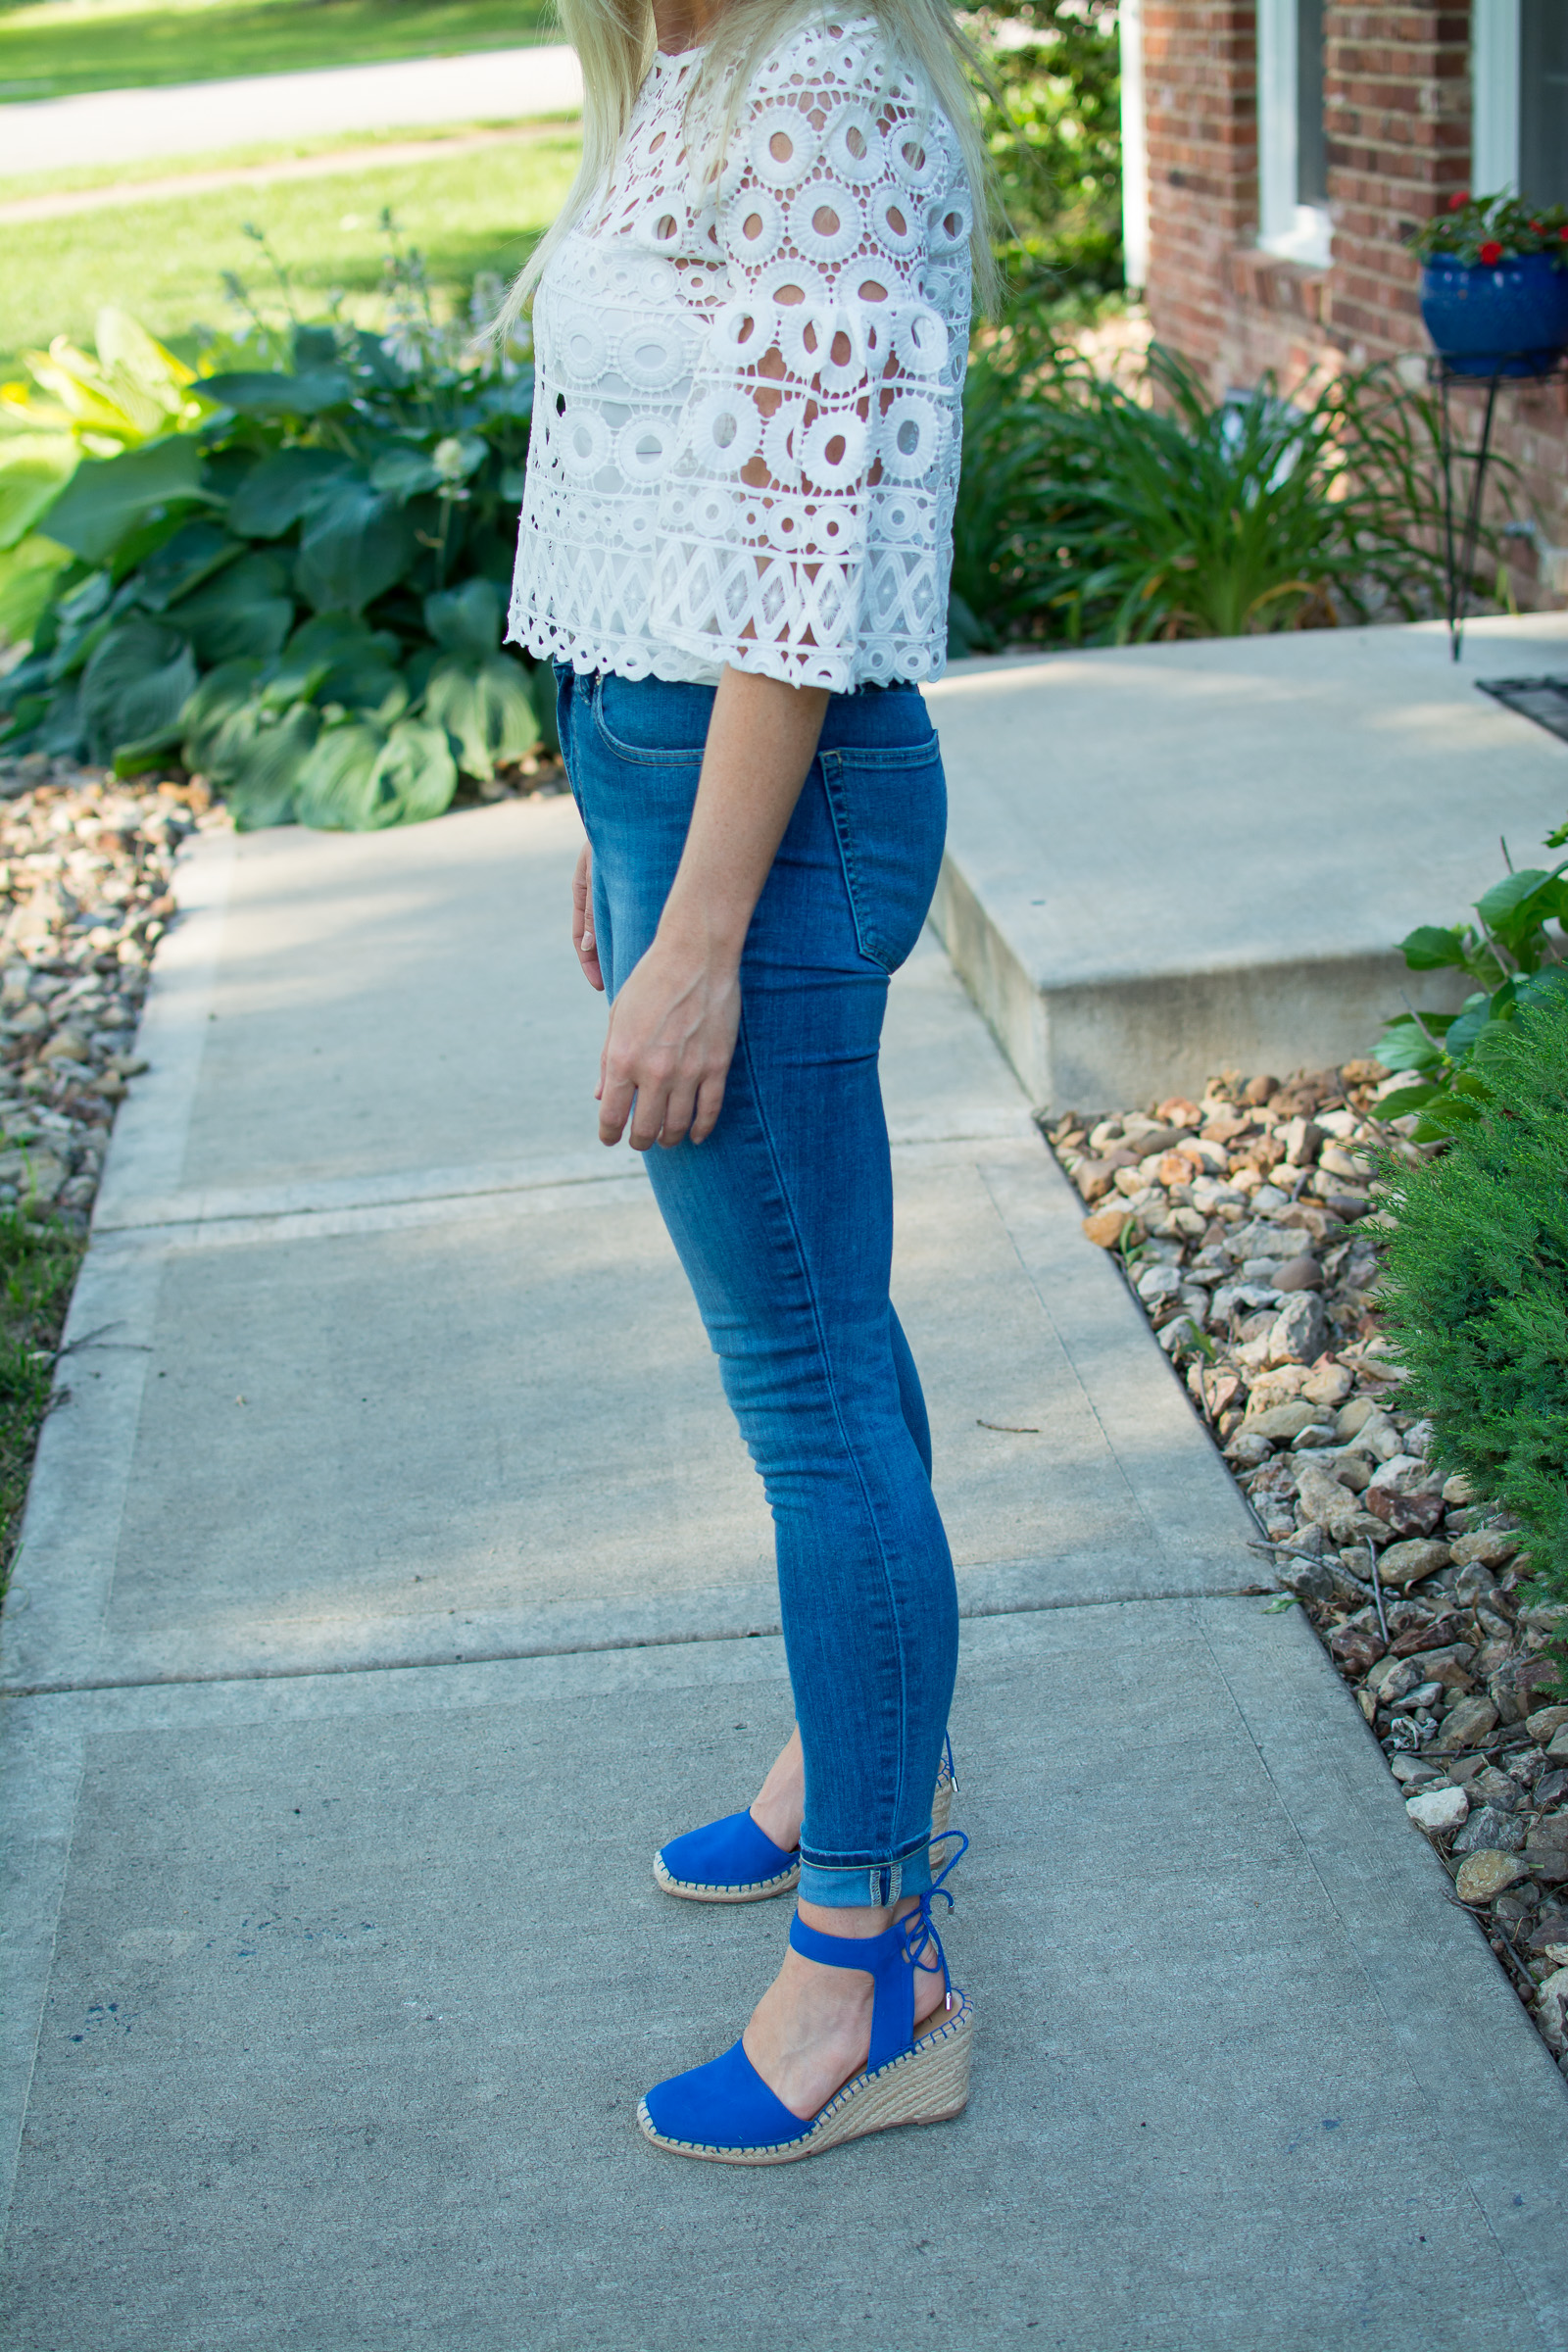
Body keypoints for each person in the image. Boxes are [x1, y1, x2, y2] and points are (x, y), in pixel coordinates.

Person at [502, 0, 992, 2166]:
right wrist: (600, 832)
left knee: (803, 1392)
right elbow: (647, 486)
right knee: (823, 1339)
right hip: (670, 775)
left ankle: (864, 1972)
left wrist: (698, 930)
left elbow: (802, 574)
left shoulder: (824, 104)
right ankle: (856, 1748)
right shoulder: (684, 81)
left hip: (765, 806)